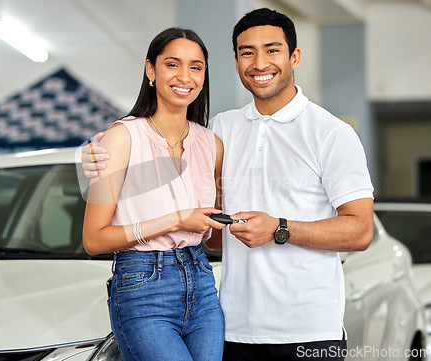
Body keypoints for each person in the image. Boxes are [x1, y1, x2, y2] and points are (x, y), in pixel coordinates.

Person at [81, 8, 374, 361]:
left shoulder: (331, 133)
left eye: (272, 50)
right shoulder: (219, 132)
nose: (260, 62)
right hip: (232, 327)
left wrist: (279, 228)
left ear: (294, 56)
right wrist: (91, 157)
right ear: (236, 64)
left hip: (309, 330)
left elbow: (360, 231)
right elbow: (205, 224)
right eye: (247, 52)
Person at [82, 27, 225, 361]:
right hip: (143, 285)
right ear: (151, 70)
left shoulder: (212, 144)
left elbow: (213, 238)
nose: (184, 76)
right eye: (172, 64)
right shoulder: (121, 137)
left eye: (196, 67)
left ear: (204, 76)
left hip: (202, 284)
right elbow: (93, 239)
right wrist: (176, 219)